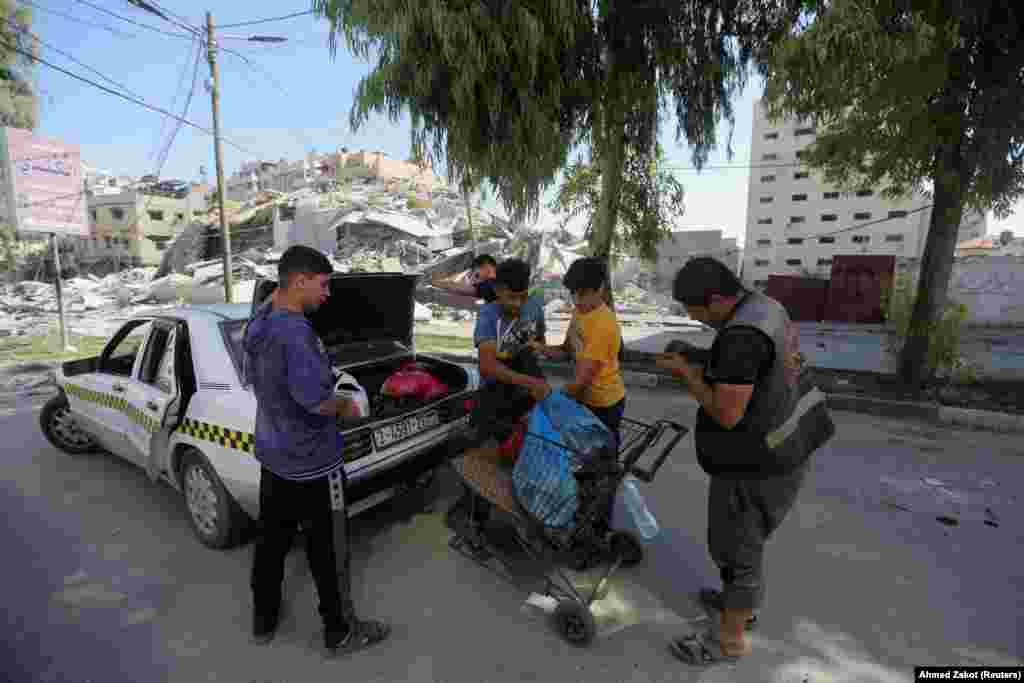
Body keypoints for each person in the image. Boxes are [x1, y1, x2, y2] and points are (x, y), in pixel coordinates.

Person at [655, 257, 833, 668]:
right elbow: (749, 367)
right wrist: (697, 356)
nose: (694, 318)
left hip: (759, 461)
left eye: (695, 310)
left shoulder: (740, 337)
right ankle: (741, 606)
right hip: (791, 441)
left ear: (717, 298)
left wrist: (689, 375)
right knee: (745, 542)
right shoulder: (763, 306)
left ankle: (728, 642)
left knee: (738, 549)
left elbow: (727, 412)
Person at [243, 245, 390, 657]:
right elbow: (315, 401)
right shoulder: (296, 333)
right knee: (329, 553)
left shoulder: (261, 318)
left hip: (275, 458)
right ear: (300, 281)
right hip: (313, 464)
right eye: (323, 285)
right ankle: (340, 632)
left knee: (270, 544)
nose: (328, 294)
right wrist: (348, 405)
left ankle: (263, 620)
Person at [445, 258, 550, 542]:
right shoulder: (489, 315)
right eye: (511, 297)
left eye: (522, 296)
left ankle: (523, 516)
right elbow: (488, 367)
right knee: (482, 459)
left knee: (526, 456)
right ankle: (474, 523)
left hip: (526, 395)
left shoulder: (534, 306)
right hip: (495, 395)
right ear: (498, 289)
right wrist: (531, 382)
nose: (517, 304)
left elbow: (538, 341)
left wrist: (540, 355)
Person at [531, 257, 626, 444]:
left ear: (600, 288)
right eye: (572, 294)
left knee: (601, 454)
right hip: (586, 397)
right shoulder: (579, 313)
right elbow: (567, 351)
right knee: (584, 448)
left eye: (582, 294)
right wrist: (540, 348)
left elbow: (581, 381)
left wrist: (549, 397)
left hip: (605, 403)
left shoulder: (604, 325)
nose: (576, 300)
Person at [430, 253, 499, 302]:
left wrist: (435, 282)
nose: (475, 281)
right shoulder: (490, 282)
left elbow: (464, 289)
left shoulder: (492, 284)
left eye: (476, 275)